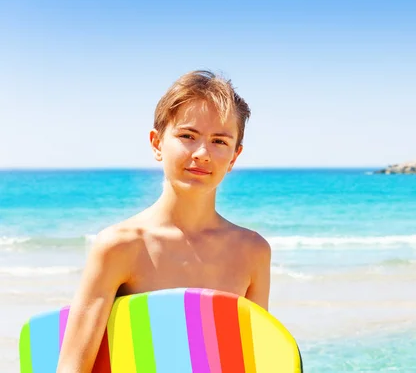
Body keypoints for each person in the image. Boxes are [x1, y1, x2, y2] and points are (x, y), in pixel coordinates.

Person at [57, 70, 272, 372]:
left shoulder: (253, 251)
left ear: (235, 157)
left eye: (219, 141)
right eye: (187, 136)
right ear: (157, 143)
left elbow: (253, 358)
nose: (202, 153)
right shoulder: (120, 245)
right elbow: (72, 367)